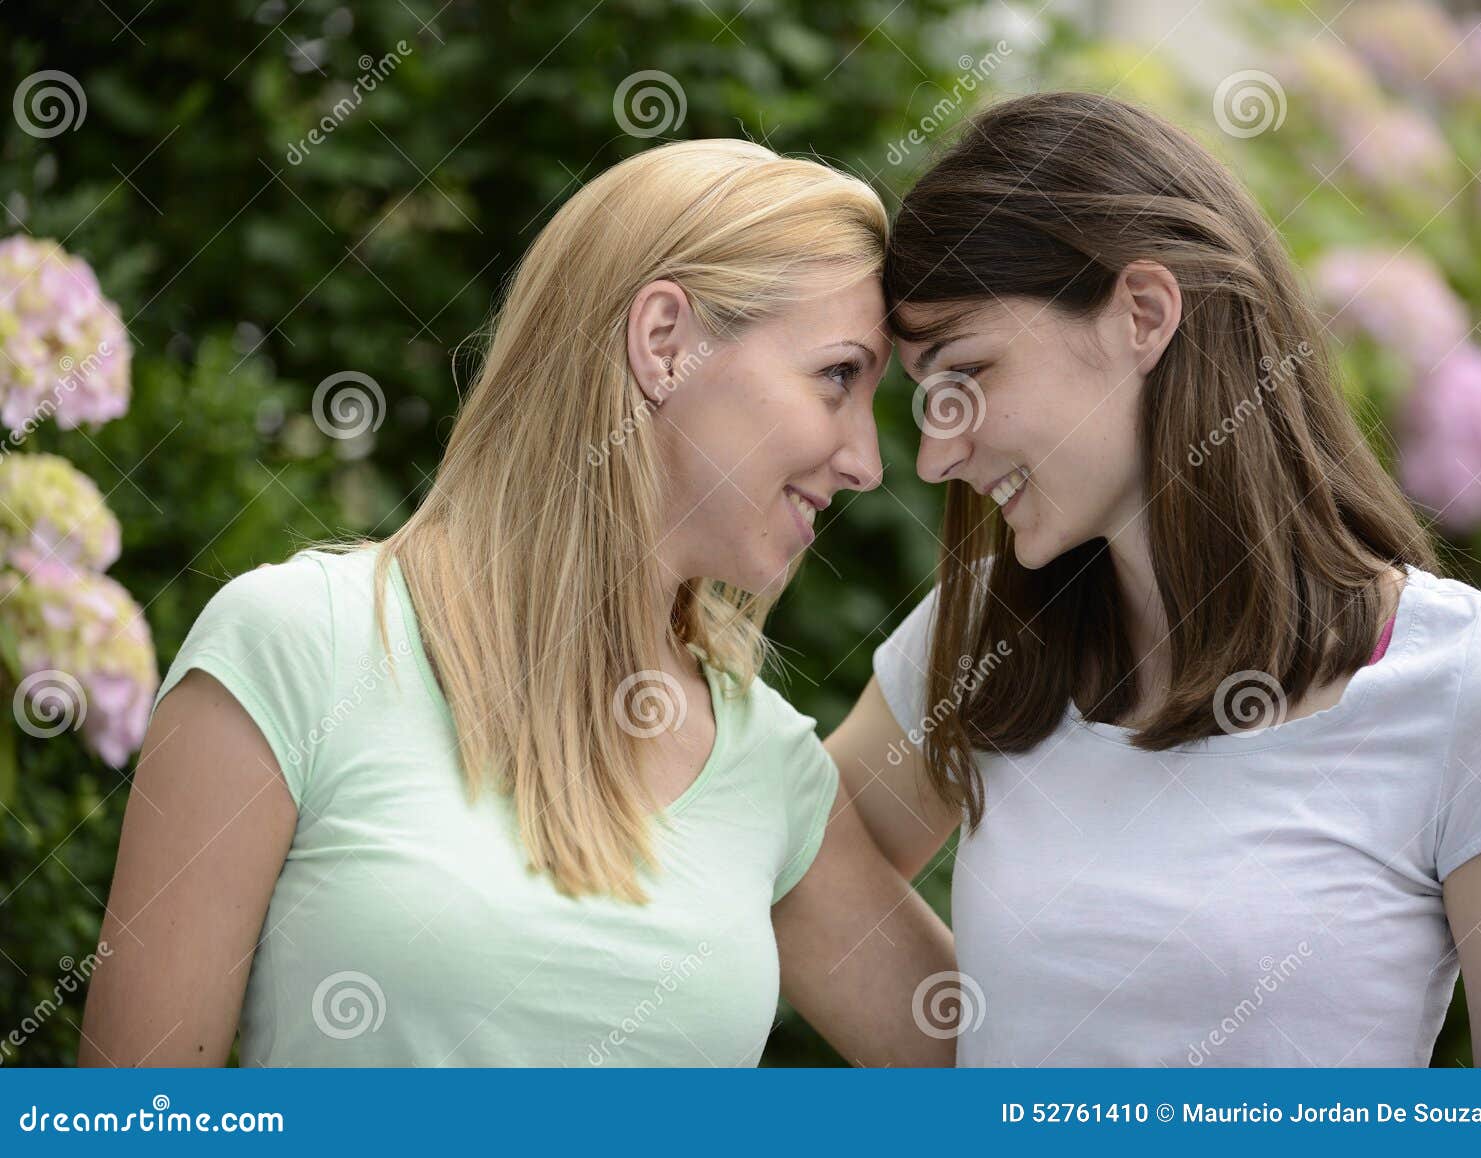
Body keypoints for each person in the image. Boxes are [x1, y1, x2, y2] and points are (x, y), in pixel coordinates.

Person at [80, 139, 955, 1067]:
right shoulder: (299, 644)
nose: (867, 461)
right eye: (837, 377)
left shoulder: (769, 769)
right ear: (666, 344)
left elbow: (1018, 1072)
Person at [827, 91, 1481, 1067]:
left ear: (1142, 315)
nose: (934, 460)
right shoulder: (988, 635)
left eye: (966, 374)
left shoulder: (1476, 690)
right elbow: (799, 855)